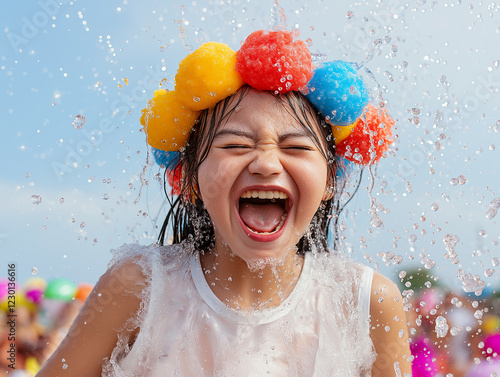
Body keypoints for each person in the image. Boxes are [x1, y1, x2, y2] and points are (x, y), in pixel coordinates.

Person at [37, 29, 411, 376]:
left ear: (330, 180)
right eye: (235, 145)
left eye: (295, 147)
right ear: (189, 179)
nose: (265, 163)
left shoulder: (364, 303)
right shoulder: (140, 290)